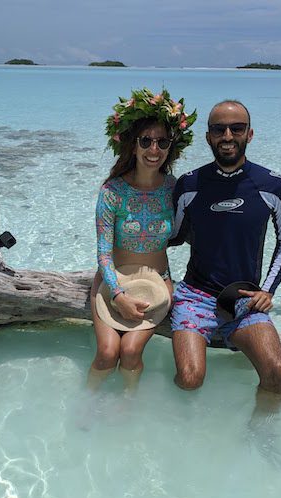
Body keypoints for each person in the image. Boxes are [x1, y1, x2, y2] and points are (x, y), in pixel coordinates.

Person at [168, 99, 281, 406]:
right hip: (194, 296)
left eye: (236, 128)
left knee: (276, 372)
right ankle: (174, 427)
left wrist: (268, 290)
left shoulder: (273, 186)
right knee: (189, 379)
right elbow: (173, 237)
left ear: (249, 134)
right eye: (218, 129)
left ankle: (262, 434)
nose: (227, 136)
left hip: (245, 299)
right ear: (208, 136)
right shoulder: (189, 185)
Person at [89, 88, 197, 392]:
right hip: (113, 281)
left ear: (170, 147)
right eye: (146, 141)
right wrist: (118, 294)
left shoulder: (175, 189)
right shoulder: (112, 191)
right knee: (107, 353)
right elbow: (103, 254)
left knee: (132, 351)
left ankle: (127, 404)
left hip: (158, 283)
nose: (154, 149)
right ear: (132, 146)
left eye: (162, 142)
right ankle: (87, 405)